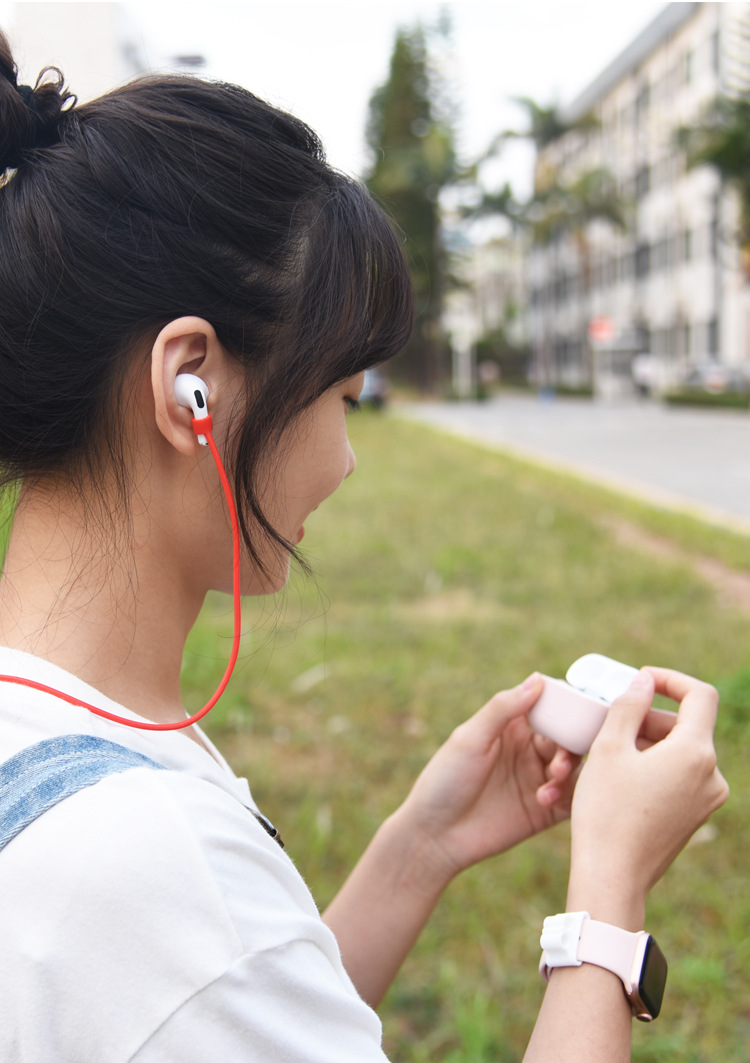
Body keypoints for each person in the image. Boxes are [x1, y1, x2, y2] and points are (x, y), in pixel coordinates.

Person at [0, 35, 728, 1063]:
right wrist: (608, 896)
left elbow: (212, 1017)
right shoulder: (150, 866)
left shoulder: (59, 727)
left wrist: (419, 848)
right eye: (342, 396)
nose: (345, 459)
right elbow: (204, 968)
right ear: (190, 387)